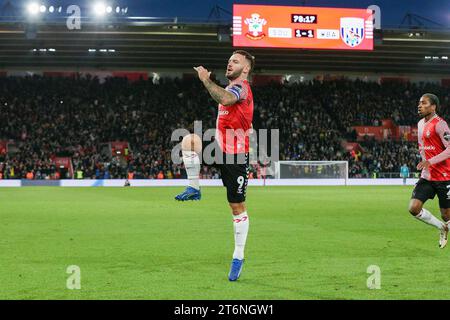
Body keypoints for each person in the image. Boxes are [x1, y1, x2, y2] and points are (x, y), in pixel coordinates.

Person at [174, 50, 255, 281]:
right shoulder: (231, 87)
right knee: (189, 141)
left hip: (236, 158)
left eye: (236, 61)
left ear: (246, 69)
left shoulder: (241, 89)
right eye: (229, 60)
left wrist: (205, 80)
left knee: (237, 207)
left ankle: (238, 255)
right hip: (219, 147)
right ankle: (194, 188)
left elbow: (226, 99)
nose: (230, 64)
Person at [409, 93, 450, 248]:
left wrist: (430, 161)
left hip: (444, 177)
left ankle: (445, 224)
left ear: (433, 107)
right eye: (419, 103)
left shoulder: (441, 124)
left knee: (446, 214)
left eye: (424, 103)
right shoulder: (420, 124)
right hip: (427, 177)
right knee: (413, 208)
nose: (419, 105)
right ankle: (442, 228)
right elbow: (422, 147)